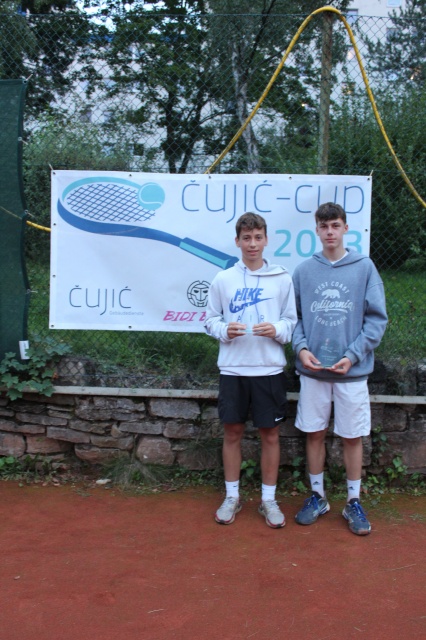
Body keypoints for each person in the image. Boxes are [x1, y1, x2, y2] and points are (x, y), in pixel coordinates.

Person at [292, 202, 387, 536]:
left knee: (351, 435)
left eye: (335, 225)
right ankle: (318, 496)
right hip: (313, 372)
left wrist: (353, 355)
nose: (330, 232)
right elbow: (294, 318)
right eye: (324, 226)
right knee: (314, 432)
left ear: (346, 228)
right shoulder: (304, 271)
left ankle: (353, 501)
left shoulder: (364, 268)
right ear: (316, 230)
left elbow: (377, 320)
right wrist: (302, 349)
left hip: (352, 372)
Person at [204, 212, 297, 528]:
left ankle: (268, 500)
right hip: (233, 369)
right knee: (232, 432)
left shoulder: (282, 278)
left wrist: (277, 329)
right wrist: (224, 330)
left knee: (270, 434)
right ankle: (232, 496)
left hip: (268, 370)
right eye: (247, 238)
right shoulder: (223, 279)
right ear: (237, 241)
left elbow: (291, 322)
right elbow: (210, 319)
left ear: (266, 240)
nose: (252, 244)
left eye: (258, 237)